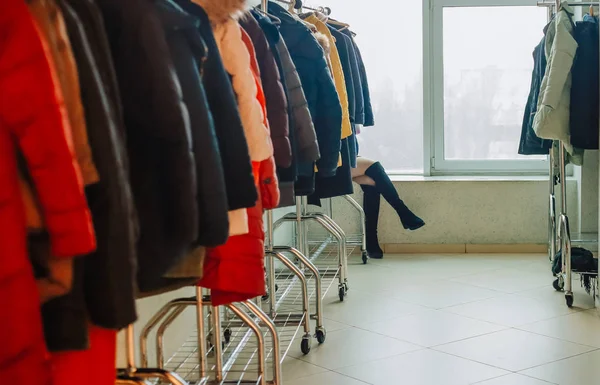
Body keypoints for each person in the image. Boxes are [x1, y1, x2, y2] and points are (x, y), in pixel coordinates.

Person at [352, 157, 425, 259]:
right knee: (374, 167)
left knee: (373, 181)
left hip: (335, 162)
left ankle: (371, 242)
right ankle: (403, 212)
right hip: (327, 166)